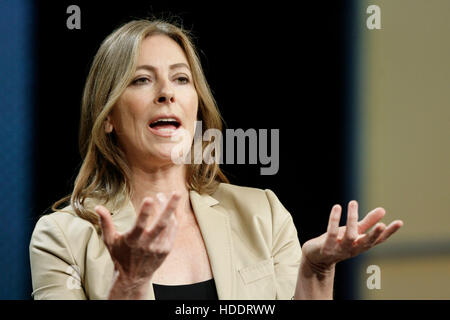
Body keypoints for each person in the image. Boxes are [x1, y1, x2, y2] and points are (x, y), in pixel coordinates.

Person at [29, 19, 403, 300]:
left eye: (181, 79)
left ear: (197, 109)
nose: (166, 94)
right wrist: (129, 282)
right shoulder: (61, 238)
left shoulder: (264, 215)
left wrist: (316, 271)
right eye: (141, 80)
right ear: (107, 116)